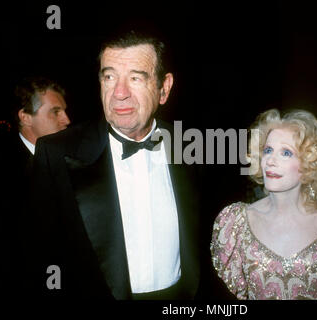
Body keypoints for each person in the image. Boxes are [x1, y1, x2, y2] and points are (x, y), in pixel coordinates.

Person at [29, 30, 200, 299]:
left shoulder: (190, 146)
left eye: (135, 78)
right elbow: (39, 255)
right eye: (109, 77)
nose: (119, 93)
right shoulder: (56, 154)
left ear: (163, 88)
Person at [210, 109, 317, 299]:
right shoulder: (234, 224)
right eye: (268, 150)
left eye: (286, 153)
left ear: (309, 163)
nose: (271, 160)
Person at [0, 76, 70, 298]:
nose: (67, 119)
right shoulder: (4, 173)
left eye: (64, 110)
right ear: (26, 117)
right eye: (55, 112)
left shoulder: (69, 160)